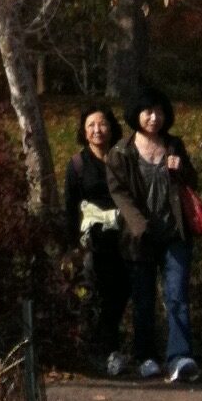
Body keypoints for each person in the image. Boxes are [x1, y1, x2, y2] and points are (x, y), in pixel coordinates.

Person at [105, 85, 201, 383]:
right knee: (143, 299)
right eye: (147, 111)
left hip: (174, 234)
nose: (154, 117)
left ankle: (179, 357)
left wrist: (181, 169)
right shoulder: (121, 152)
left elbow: (193, 181)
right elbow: (119, 193)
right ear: (136, 114)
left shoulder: (174, 145)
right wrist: (138, 225)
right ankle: (145, 356)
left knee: (177, 296)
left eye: (159, 111)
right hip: (140, 238)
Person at [63, 101, 130, 376]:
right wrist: (71, 247)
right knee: (98, 295)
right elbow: (70, 208)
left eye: (102, 124)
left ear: (112, 127)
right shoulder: (77, 165)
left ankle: (114, 349)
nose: (97, 130)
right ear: (83, 131)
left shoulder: (123, 159)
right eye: (91, 125)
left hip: (124, 238)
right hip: (94, 242)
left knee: (122, 293)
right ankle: (105, 351)